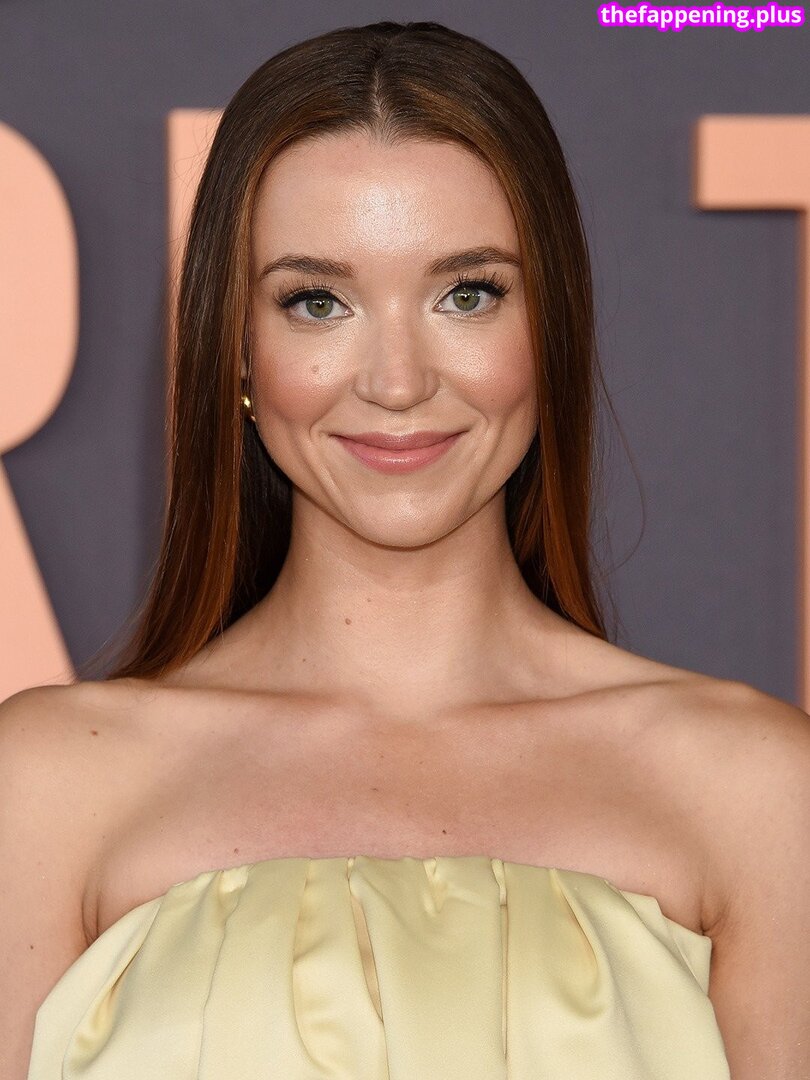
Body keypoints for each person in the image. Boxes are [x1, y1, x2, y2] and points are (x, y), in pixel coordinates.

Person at [2, 18, 808, 1080]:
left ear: (551, 328)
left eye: (467, 294)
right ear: (236, 350)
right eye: (317, 302)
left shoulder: (753, 792)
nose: (396, 381)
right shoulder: (48, 790)